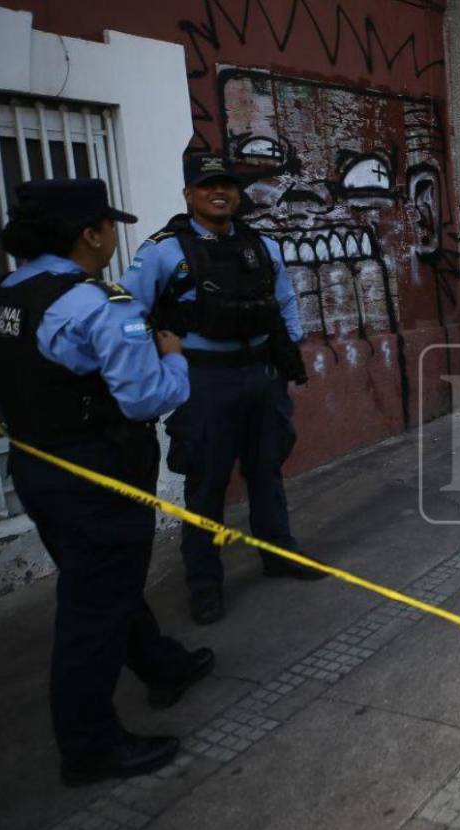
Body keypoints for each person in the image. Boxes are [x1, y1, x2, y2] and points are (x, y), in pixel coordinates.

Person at [0, 178, 214, 786]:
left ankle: (163, 667)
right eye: (108, 226)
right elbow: (144, 398)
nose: (112, 236)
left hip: (38, 468)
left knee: (103, 584)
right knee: (91, 609)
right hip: (98, 473)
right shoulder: (100, 304)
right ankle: (89, 745)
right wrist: (175, 356)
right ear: (90, 234)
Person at [121, 155, 323, 626]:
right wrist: (150, 369)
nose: (220, 192)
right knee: (206, 483)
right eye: (208, 185)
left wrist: (289, 351)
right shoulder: (162, 251)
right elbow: (129, 313)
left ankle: (279, 553)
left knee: (266, 469)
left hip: (260, 373)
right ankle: (205, 584)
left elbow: (285, 300)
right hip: (203, 378)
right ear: (188, 194)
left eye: (227, 185)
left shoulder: (261, 246)